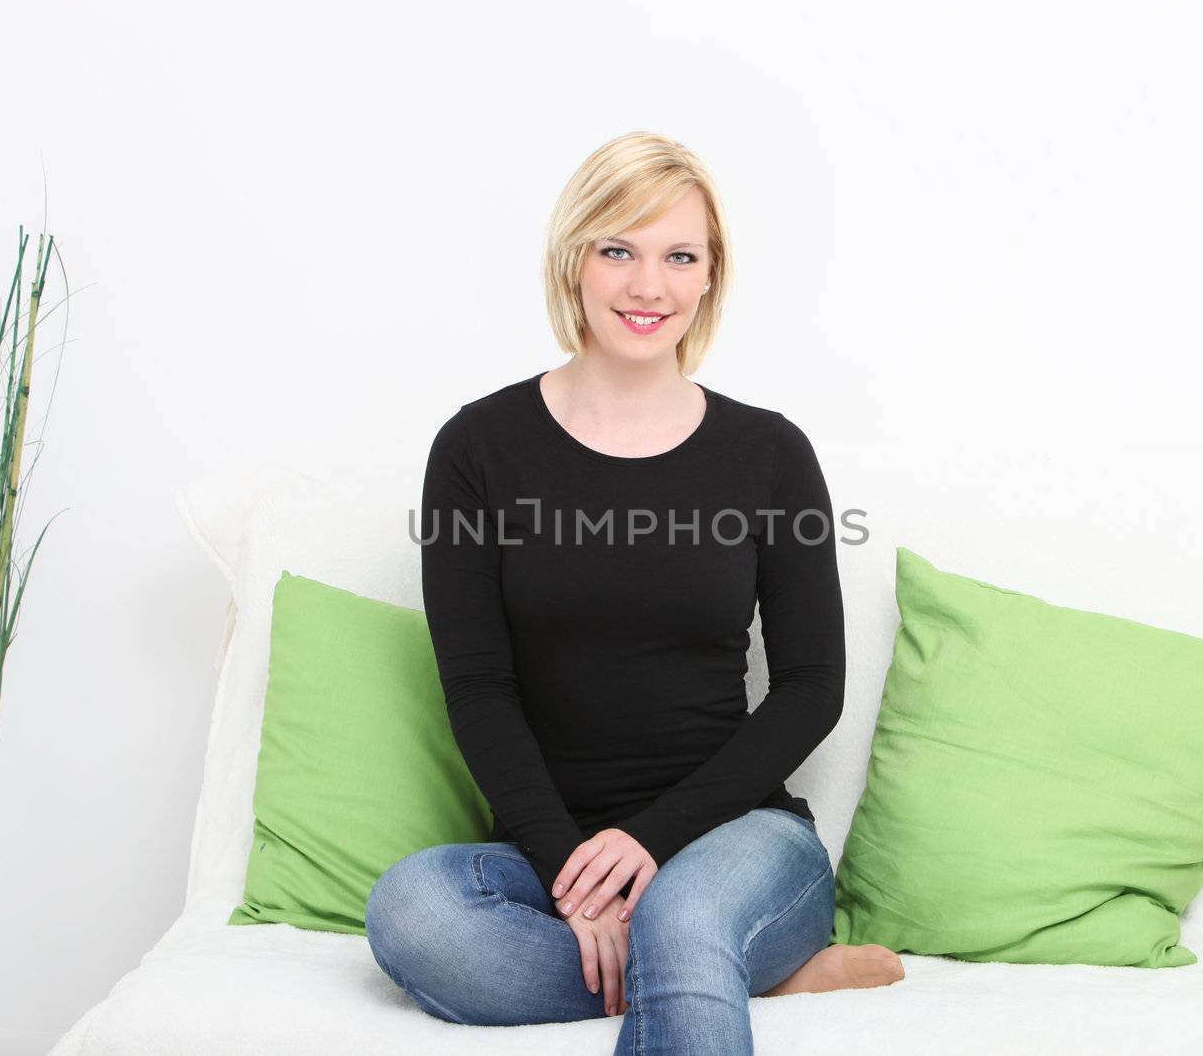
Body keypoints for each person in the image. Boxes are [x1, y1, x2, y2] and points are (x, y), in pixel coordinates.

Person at [365, 131, 904, 1054]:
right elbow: (477, 686)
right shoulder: (476, 449)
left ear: (708, 278)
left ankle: (698, 949)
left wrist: (649, 846)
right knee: (415, 911)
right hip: (553, 853)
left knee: (684, 913)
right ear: (573, 260)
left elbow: (813, 685)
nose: (647, 285)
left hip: (736, 841)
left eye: (678, 256)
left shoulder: (770, 452)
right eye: (618, 249)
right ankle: (737, 976)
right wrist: (576, 877)